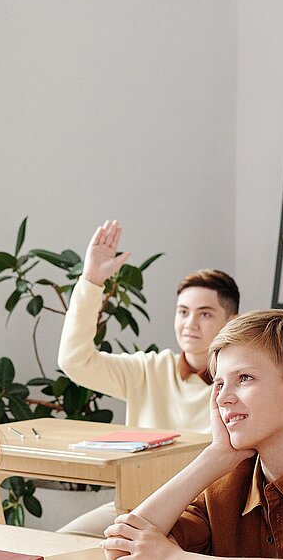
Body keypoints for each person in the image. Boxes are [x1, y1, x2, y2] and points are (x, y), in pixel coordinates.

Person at [98, 310, 283, 560]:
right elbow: (119, 549)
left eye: (244, 378)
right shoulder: (231, 476)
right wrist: (214, 456)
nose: (223, 398)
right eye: (218, 384)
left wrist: (171, 557)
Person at [55, 220, 240, 536]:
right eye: (183, 312)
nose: (190, 323)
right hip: (133, 505)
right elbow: (75, 361)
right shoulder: (148, 369)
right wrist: (92, 280)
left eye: (205, 313)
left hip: (204, 512)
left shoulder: (245, 382)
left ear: (231, 321)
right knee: (60, 544)